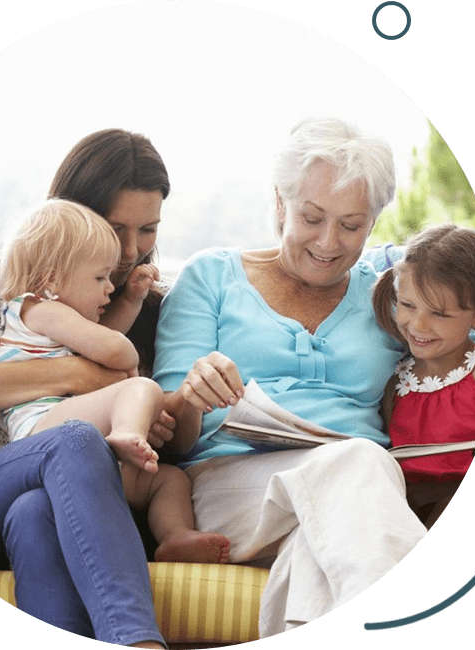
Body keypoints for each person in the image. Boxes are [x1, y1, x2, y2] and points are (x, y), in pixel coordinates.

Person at [152, 117, 429, 637]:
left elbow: (457, 337)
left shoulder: (388, 295)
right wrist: (191, 394)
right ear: (279, 203)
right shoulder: (211, 277)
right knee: (359, 461)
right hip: (230, 488)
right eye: (312, 217)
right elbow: (170, 439)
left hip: (355, 500)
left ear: (373, 223)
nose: (328, 242)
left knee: (316, 549)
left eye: (351, 225)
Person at [0, 129, 175, 645]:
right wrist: (75, 375)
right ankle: (138, 640)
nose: (127, 250)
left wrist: (162, 414)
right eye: (115, 226)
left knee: (36, 512)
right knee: (74, 439)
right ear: (73, 210)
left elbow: (150, 414)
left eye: (147, 230)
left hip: (74, 505)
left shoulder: (141, 298)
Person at [0, 198, 230, 562]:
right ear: (53, 280)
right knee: (142, 387)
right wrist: (132, 374)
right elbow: (113, 348)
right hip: (41, 433)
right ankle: (126, 434)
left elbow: (100, 339)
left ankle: (176, 536)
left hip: (84, 446)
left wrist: (133, 299)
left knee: (169, 480)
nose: (108, 288)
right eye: (100, 278)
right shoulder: (38, 309)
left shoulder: (62, 324)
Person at [372, 224, 475, 529]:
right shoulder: (396, 383)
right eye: (407, 305)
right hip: (407, 515)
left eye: (439, 314)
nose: (418, 325)